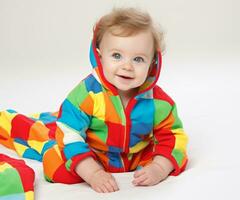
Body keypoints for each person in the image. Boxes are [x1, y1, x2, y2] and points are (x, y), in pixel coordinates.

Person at [0, 7, 188, 193]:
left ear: (153, 63)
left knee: (169, 154)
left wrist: (159, 168)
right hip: (93, 153)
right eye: (116, 55)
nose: (127, 66)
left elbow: (173, 135)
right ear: (99, 56)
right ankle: (83, 163)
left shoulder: (160, 103)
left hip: (136, 155)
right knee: (55, 166)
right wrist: (92, 173)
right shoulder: (87, 94)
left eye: (138, 59)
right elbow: (70, 132)